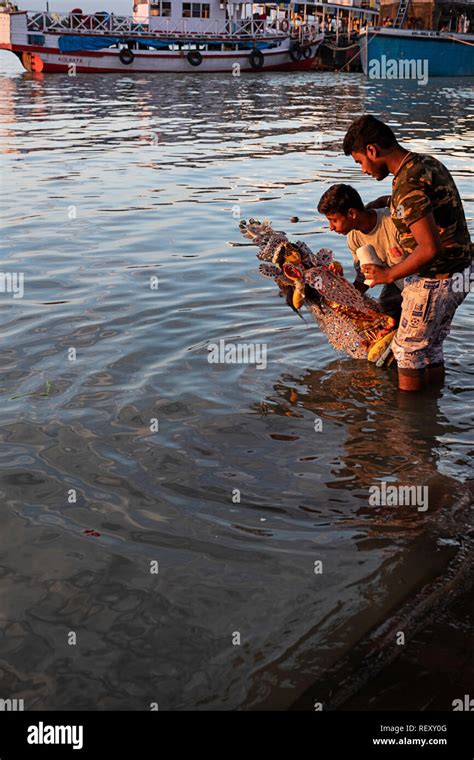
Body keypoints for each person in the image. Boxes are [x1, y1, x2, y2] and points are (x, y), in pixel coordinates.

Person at [342, 115, 473, 392]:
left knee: (407, 351)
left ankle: (408, 428)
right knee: (431, 347)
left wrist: (387, 274)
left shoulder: (406, 185)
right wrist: (380, 203)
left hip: (436, 277)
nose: (363, 170)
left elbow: (430, 248)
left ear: (372, 150)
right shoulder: (424, 164)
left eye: (360, 162)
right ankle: (433, 409)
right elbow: (418, 206)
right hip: (460, 271)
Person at [318, 183, 408, 323]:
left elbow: (424, 256)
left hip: (421, 280)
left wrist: (388, 274)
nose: (331, 228)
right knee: (385, 312)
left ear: (352, 214)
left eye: (334, 221)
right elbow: (363, 278)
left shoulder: (393, 223)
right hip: (396, 283)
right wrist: (344, 296)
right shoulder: (354, 238)